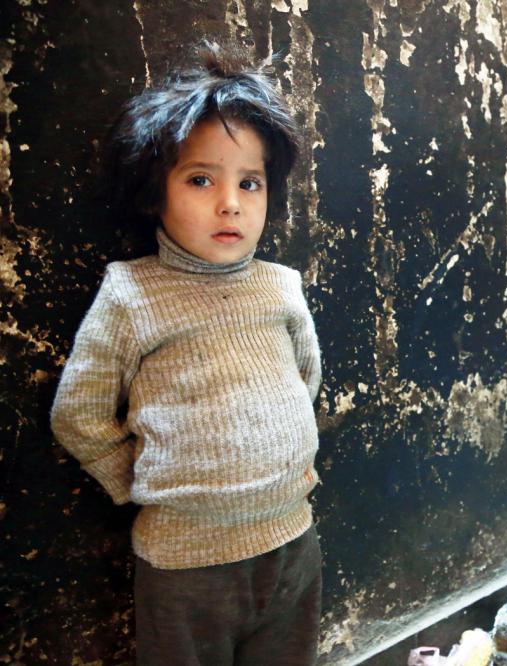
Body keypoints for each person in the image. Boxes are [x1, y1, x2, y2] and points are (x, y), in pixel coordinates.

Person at [50, 42, 323, 665]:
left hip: (291, 543)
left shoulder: (281, 287)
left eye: (249, 182)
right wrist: (148, 488)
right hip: (184, 561)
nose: (230, 202)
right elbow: (79, 416)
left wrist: (282, 459)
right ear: (156, 192)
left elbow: (303, 382)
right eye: (201, 178)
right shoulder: (132, 293)